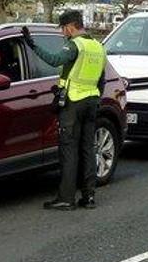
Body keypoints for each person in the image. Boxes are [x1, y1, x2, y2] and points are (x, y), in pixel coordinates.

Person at [22, 11, 106, 211]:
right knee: (88, 149)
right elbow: (101, 79)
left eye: (63, 28)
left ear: (70, 26)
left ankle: (66, 198)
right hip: (92, 101)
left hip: (73, 103)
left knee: (69, 151)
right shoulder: (97, 46)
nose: (62, 32)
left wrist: (31, 44)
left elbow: (54, 60)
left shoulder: (75, 45)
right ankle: (89, 197)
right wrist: (95, 99)